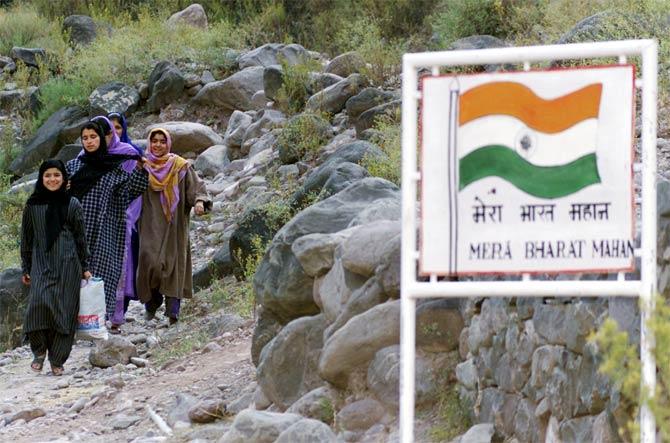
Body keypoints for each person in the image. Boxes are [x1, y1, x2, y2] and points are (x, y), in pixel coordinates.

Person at [66, 121, 148, 328]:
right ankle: (71, 321)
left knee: (101, 274)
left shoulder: (114, 167)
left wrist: (140, 171)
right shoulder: (74, 166)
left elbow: (129, 191)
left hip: (105, 229)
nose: (89, 141)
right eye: (85, 138)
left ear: (102, 139)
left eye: (93, 137)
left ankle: (96, 322)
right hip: (76, 229)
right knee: (73, 273)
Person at [21, 159, 91, 376]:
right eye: (48, 175)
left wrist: (85, 266)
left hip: (69, 264)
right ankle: (39, 351)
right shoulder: (32, 205)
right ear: (41, 179)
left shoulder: (72, 204)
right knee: (38, 304)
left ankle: (57, 359)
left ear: (64, 179)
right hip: (41, 263)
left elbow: (80, 238)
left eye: (57, 175)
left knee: (65, 311)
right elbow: (27, 238)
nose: (52, 179)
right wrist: (26, 267)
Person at [137, 128, 210, 325]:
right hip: (149, 222)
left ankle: (173, 312)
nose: (158, 145)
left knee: (173, 264)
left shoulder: (180, 166)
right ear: (149, 143)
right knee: (149, 261)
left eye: (162, 141)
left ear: (168, 143)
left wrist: (199, 201)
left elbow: (196, 187)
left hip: (174, 223)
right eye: (155, 141)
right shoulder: (142, 166)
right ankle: (152, 303)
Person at [105, 113, 143, 333]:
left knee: (123, 265)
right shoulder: (93, 156)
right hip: (99, 222)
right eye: (110, 129)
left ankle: (119, 313)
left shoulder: (130, 154)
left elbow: (136, 190)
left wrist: (127, 216)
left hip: (125, 218)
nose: (114, 133)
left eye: (118, 128)